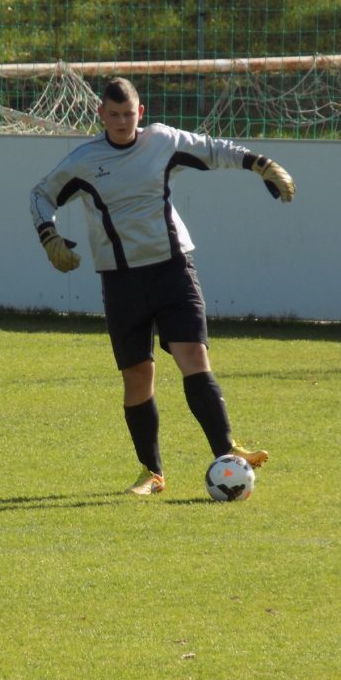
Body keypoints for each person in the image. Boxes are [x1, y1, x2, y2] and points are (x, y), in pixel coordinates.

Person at [30, 77, 296, 496]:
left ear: (141, 112)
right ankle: (151, 472)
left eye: (128, 113)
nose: (121, 121)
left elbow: (215, 149)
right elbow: (41, 195)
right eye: (113, 114)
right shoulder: (83, 161)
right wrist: (49, 235)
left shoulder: (163, 142)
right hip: (120, 280)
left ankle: (227, 451)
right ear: (100, 114)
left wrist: (260, 164)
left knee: (193, 356)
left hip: (174, 268)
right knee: (138, 376)